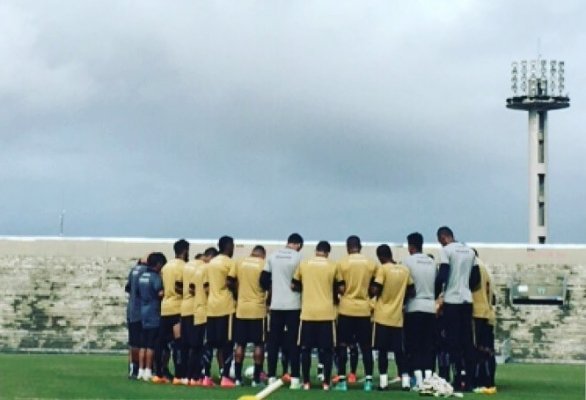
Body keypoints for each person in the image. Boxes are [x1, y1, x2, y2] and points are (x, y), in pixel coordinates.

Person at [435, 226, 480, 392]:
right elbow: (476, 278)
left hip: (452, 300)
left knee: (453, 341)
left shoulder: (446, 251)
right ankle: (469, 379)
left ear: (443, 238)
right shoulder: (470, 251)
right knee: (467, 341)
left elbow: (443, 274)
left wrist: (436, 293)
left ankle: (458, 377)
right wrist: (465, 286)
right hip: (467, 300)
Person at [291, 241, 339, 391]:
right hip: (326, 314)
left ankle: (306, 382)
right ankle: (326, 383)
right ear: (327, 252)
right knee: (327, 350)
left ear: (316, 250)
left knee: (305, 349)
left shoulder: (304, 264)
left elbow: (294, 285)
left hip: (308, 313)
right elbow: (341, 287)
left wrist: (306, 288)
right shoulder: (333, 265)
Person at [260, 233, 304, 389]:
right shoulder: (299, 258)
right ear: (298, 245)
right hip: (293, 305)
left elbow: (263, 280)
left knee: (273, 343)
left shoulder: (273, 256)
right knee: (293, 342)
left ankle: (271, 376)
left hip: (276, 305)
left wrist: (274, 288)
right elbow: (301, 281)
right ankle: (295, 378)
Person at [335, 235, 377, 391]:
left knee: (342, 346)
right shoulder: (371, 264)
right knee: (366, 347)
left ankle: (342, 381)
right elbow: (375, 288)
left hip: (346, 309)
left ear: (347, 247)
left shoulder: (342, 263)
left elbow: (340, 288)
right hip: (364, 310)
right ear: (360, 247)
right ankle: (368, 382)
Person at [370, 244, 412, 391]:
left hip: (382, 316)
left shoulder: (383, 269)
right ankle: (405, 382)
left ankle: (383, 382)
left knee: (382, 351)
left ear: (380, 257)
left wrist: (370, 288)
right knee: (400, 351)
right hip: (397, 317)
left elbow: (375, 289)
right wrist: (401, 300)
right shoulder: (404, 270)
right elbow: (411, 290)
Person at [227, 245, 268, 387]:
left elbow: (229, 281)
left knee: (240, 344)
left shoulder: (240, 262)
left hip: (241, 309)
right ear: (263, 255)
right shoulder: (264, 264)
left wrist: (237, 294)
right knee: (259, 344)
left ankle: (238, 378)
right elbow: (268, 285)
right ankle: (256, 379)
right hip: (258, 309)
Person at [403, 232, 437, 389]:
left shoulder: (407, 262)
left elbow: (406, 285)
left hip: (414, 306)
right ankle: (429, 378)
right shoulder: (431, 262)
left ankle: (418, 379)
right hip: (430, 307)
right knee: (428, 345)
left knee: (414, 345)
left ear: (411, 246)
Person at [153, 239, 189, 384]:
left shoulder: (166, 267)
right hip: (177, 308)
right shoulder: (183, 267)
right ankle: (178, 376)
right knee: (178, 343)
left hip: (165, 308)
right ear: (185, 251)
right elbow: (179, 287)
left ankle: (158, 374)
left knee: (161, 342)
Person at [205, 236, 237, 387]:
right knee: (227, 344)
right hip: (226, 307)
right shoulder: (230, 263)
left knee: (210, 343)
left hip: (211, 307)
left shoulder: (211, 263)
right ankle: (225, 377)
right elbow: (230, 282)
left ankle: (206, 376)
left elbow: (206, 286)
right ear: (229, 246)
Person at [137, 252, 167, 381]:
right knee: (151, 344)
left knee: (143, 344)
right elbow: (160, 293)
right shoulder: (155, 277)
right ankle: (148, 370)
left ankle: (140, 370)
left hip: (143, 311)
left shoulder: (142, 276)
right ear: (158, 264)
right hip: (153, 312)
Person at [471, 250, 497, 394]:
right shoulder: (486, 269)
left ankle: (477, 380)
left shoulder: (476, 267)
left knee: (477, 349)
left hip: (477, 311)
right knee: (488, 351)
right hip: (488, 312)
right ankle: (489, 380)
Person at [180, 253, 204, 385]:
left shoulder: (186, 267)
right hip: (195, 309)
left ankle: (183, 375)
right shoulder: (202, 267)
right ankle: (194, 375)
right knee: (196, 346)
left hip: (184, 308)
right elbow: (194, 289)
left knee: (184, 345)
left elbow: (181, 287)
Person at [196, 247, 218, 386]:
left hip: (195, 310)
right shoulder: (207, 269)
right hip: (205, 311)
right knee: (207, 345)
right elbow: (207, 288)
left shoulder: (196, 268)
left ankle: (196, 375)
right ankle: (205, 375)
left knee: (197, 346)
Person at [125, 257, 148, 379]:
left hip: (131, 310)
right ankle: (141, 368)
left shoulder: (133, 270)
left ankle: (133, 367)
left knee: (133, 342)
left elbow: (128, 288)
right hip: (142, 312)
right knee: (143, 343)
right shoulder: (146, 271)